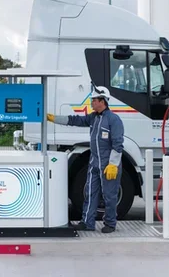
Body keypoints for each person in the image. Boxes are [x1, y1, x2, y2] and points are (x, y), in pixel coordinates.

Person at [46, 86, 124, 233]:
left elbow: (118, 144)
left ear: (102, 101)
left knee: (109, 195)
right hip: (94, 163)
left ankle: (110, 224)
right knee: (90, 193)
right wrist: (54, 119)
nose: (91, 103)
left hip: (108, 166)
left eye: (94, 100)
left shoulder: (114, 120)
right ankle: (87, 223)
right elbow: (75, 120)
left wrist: (113, 164)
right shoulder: (93, 117)